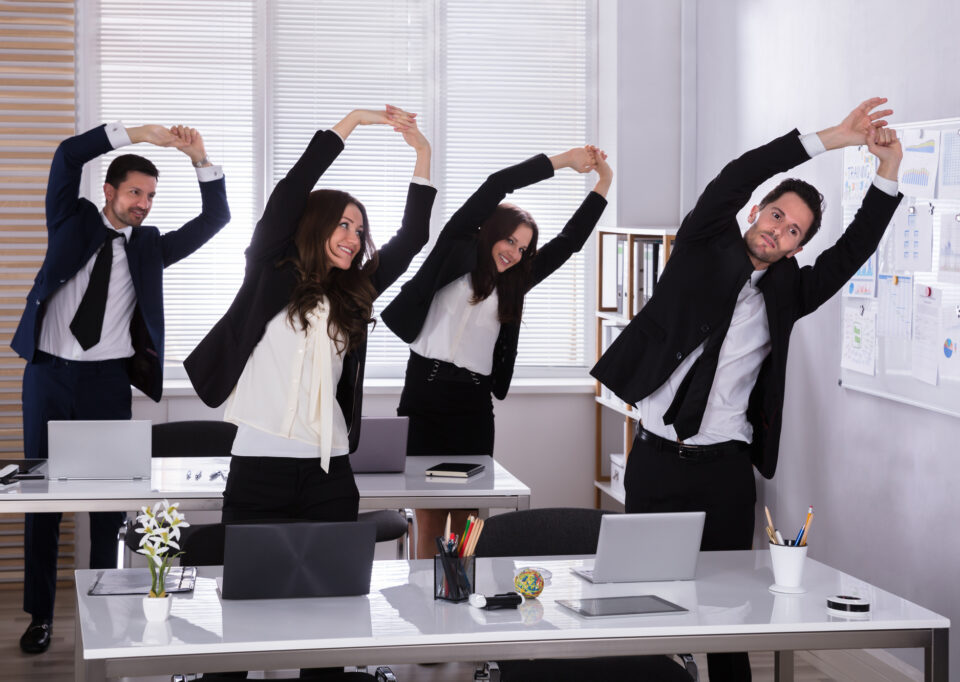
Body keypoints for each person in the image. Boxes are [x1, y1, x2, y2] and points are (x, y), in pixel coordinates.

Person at [591, 97, 903, 681]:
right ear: (757, 211)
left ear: (798, 247)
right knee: (640, 606)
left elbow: (854, 250)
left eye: (794, 232)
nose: (779, 232)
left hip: (725, 473)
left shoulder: (790, 295)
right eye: (776, 216)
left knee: (728, 618)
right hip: (656, 461)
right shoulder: (701, 246)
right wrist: (832, 138)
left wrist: (888, 173)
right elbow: (737, 174)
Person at [10, 122, 230, 653]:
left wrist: (201, 159)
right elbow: (66, 154)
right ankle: (40, 615)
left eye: (151, 196)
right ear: (108, 191)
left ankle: (100, 609)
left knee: (107, 505)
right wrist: (136, 134)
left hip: (107, 383)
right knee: (42, 502)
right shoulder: (70, 220)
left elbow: (216, 218)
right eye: (135, 192)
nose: (144, 204)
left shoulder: (150, 247)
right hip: (48, 375)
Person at [185, 105, 433, 526]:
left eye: (359, 231)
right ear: (316, 224)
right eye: (343, 225)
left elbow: (413, 238)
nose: (353, 238)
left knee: (335, 589)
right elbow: (293, 187)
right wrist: (353, 120)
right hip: (258, 468)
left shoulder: (356, 291)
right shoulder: (268, 268)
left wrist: (422, 153)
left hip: (329, 471)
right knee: (254, 589)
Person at [382, 144, 612, 557]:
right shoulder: (455, 245)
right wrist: (563, 161)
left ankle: (461, 607)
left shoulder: (517, 281)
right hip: (423, 395)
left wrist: (603, 183)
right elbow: (497, 183)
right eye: (510, 240)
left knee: (470, 522)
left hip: (472, 404)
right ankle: (425, 608)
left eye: (523, 248)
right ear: (491, 231)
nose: (515, 252)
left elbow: (569, 242)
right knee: (430, 516)